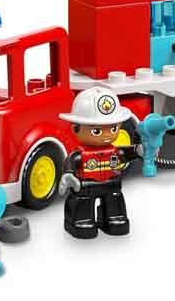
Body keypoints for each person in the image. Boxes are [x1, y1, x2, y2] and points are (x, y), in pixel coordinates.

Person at [58, 86, 142, 239]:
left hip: (111, 184)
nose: (106, 135)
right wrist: (69, 175)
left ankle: (114, 219)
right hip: (85, 187)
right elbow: (71, 163)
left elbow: (126, 153)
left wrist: (139, 150)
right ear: (75, 128)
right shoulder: (79, 155)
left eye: (113, 129)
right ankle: (80, 222)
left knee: (115, 200)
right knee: (82, 205)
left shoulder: (115, 152)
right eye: (96, 131)